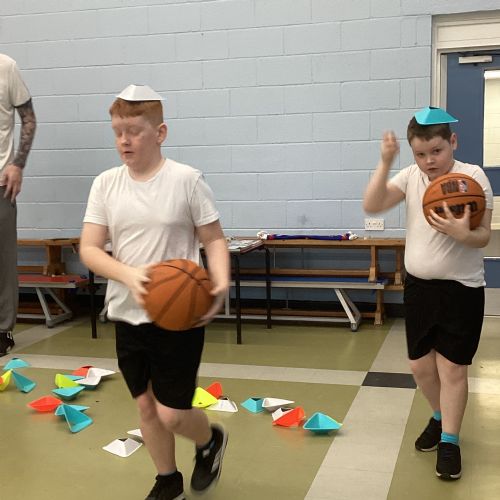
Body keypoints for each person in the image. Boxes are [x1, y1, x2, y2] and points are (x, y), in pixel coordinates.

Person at [80, 84, 230, 500]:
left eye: (133, 131)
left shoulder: (186, 180)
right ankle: (168, 480)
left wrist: (220, 282)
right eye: (117, 132)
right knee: (145, 406)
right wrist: (128, 276)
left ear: (160, 133)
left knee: (172, 413)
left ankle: (210, 440)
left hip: (178, 316)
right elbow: (90, 248)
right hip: (126, 312)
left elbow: (214, 239)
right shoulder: (105, 184)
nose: (123, 140)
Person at [363, 106, 493, 481]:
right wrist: (385, 162)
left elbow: (483, 236)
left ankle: (450, 441)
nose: (429, 161)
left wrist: (463, 234)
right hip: (419, 288)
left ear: (453, 142)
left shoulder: (473, 177)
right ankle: (439, 417)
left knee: (452, 368)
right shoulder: (411, 176)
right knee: (421, 367)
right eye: (420, 154)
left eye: (436, 151)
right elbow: (372, 205)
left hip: (461, 290)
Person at [0, 53, 37, 357]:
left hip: (1, 181)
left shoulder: (6, 67)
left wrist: (18, 164)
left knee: (2, 259)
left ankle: (2, 330)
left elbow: (28, 118)